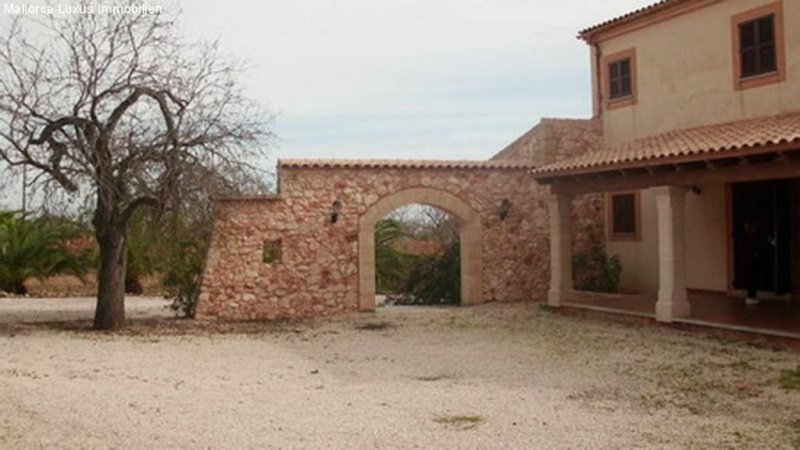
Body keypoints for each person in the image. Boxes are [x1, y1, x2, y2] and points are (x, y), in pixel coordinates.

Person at [742, 219, 763, 306]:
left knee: (753, 278)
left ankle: (752, 296)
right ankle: (751, 296)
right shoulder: (748, 239)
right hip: (749, 262)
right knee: (751, 279)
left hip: (750, 261)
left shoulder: (750, 238)